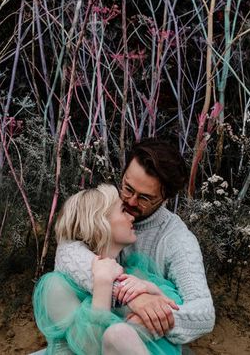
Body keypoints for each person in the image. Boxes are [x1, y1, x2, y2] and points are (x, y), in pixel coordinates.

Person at [53, 138, 215, 350]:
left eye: (145, 198)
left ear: (166, 197)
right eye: (128, 188)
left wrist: (151, 319)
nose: (130, 202)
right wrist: (131, 299)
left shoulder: (177, 240)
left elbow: (204, 313)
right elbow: (67, 250)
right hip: (91, 337)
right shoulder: (107, 205)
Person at [33, 184, 183, 354]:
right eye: (122, 210)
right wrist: (103, 285)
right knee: (118, 334)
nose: (131, 217)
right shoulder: (57, 285)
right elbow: (90, 349)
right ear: (99, 222)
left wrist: (151, 289)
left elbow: (175, 308)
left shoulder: (132, 271)